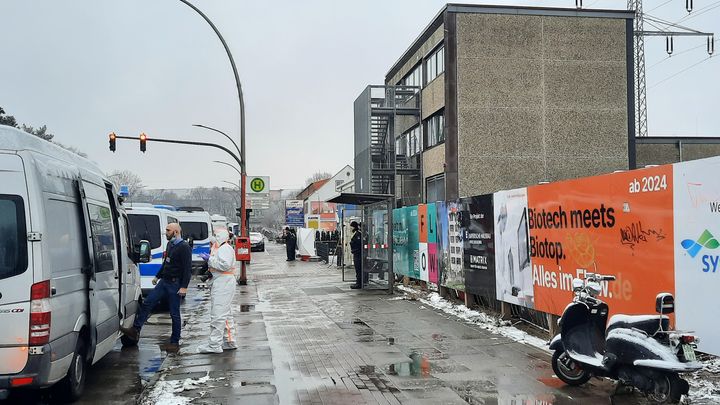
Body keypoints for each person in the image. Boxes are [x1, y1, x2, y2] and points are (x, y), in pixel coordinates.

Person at [121, 223, 192, 353]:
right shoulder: (170, 244)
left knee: (174, 313)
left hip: (175, 284)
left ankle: (174, 342)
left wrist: (184, 287)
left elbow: (187, 269)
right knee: (148, 303)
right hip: (164, 282)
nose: (166, 232)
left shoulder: (184, 247)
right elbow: (166, 263)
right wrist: (157, 276)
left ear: (176, 232)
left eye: (168, 230)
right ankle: (135, 330)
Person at [197, 228, 237, 353]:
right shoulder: (222, 248)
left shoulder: (225, 248)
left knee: (218, 314)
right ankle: (229, 341)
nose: (213, 238)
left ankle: (214, 345)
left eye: (215, 235)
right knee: (225, 314)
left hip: (223, 283)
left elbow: (224, 265)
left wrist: (209, 259)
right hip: (222, 281)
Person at [350, 221, 364, 289]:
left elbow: (358, 244)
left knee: (358, 268)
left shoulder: (358, 234)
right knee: (357, 269)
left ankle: (359, 283)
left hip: (358, 254)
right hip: (357, 253)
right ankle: (358, 282)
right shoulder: (357, 233)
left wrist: (354, 250)